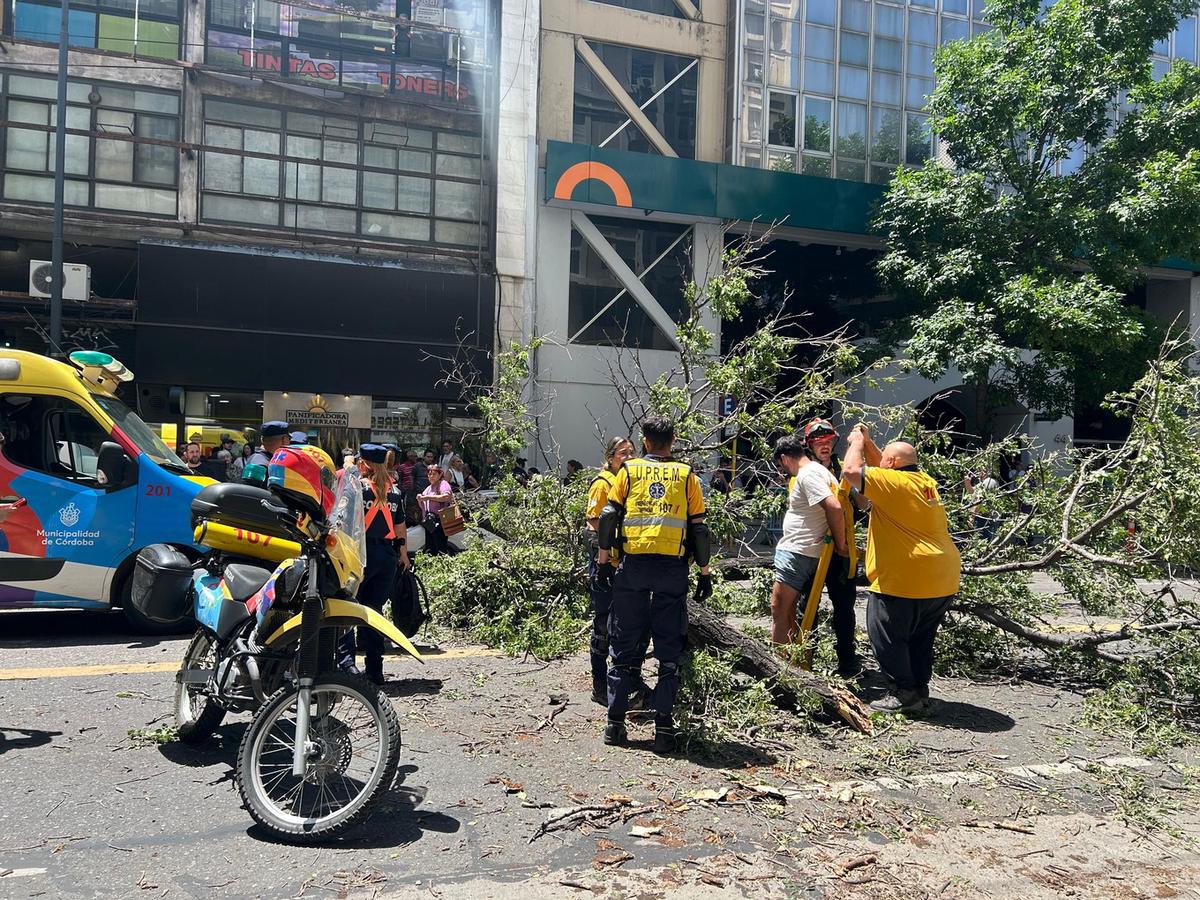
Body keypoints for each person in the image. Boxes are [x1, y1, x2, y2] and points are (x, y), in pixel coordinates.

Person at [596, 415, 710, 754]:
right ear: (673, 440)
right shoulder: (687, 474)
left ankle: (615, 724)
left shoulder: (629, 472)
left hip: (633, 565)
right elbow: (699, 528)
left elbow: (607, 517)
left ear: (644, 441)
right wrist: (705, 571)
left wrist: (603, 561)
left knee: (624, 641)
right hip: (671, 569)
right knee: (669, 648)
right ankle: (663, 728)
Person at [841, 426, 962, 714]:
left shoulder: (892, 483)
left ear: (892, 465)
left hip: (907, 575)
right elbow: (883, 463)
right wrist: (871, 442)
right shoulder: (924, 481)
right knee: (921, 638)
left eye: (884, 460)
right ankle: (919, 688)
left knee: (886, 634)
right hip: (942, 576)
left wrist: (857, 442)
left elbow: (850, 471)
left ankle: (903, 692)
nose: (878, 461)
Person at [338, 444, 409, 685]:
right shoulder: (395, 492)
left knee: (346, 610)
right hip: (386, 557)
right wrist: (404, 555)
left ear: (363, 464)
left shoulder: (357, 488)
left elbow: (342, 522)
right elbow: (400, 528)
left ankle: (347, 666)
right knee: (373, 611)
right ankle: (375, 670)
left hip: (359, 556)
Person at [770, 434, 848, 647]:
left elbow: (834, 506)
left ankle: (776, 666)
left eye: (780, 465)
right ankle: (791, 658)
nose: (782, 470)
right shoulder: (820, 471)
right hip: (803, 551)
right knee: (789, 610)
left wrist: (841, 546)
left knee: (779, 609)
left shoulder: (807, 474)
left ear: (785, 458)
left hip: (797, 552)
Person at [804, 418, 864, 676]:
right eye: (819, 442)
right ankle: (805, 661)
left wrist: (857, 478)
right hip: (814, 551)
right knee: (808, 608)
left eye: (828, 442)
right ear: (810, 446)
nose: (825, 446)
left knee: (844, 609)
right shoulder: (804, 472)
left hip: (841, 553)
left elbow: (863, 505)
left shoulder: (843, 471)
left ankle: (847, 662)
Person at [584, 437, 641, 706]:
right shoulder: (603, 483)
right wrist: (604, 560)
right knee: (602, 624)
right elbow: (594, 523)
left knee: (627, 625)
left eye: (632, 451)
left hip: (625, 563)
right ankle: (599, 684)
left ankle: (625, 681)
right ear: (610, 457)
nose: (628, 456)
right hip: (605, 563)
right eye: (622, 453)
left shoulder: (630, 483)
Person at [418, 463, 454, 555]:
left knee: (440, 548)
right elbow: (422, 505)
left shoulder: (443, 484)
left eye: (434, 474)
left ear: (440, 475)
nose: (431, 476)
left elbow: (446, 497)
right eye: (429, 474)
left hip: (440, 520)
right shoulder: (428, 488)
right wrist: (420, 498)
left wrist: (428, 497)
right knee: (430, 548)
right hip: (429, 521)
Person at [244, 421, 290, 486]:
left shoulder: (259, 458)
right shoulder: (260, 463)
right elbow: (253, 493)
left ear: (261, 440)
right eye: (289, 438)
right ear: (284, 439)